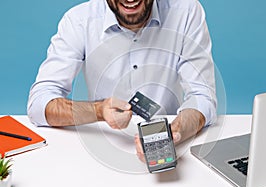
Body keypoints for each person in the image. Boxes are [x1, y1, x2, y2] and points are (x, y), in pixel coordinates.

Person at [27, 0, 217, 160]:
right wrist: (98, 110)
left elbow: (203, 96)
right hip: (100, 147)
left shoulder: (187, 12)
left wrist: (174, 133)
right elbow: (39, 104)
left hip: (170, 145)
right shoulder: (79, 20)